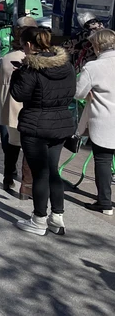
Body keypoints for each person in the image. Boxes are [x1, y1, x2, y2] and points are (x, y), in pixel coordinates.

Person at [10, 27, 76, 236]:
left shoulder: (29, 69)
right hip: (60, 122)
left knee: (40, 173)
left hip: (36, 124)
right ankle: (57, 217)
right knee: (53, 171)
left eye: (22, 45)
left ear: (29, 45)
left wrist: (16, 75)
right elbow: (72, 91)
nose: (22, 49)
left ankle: (38, 219)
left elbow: (19, 95)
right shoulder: (66, 64)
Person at [0, 16, 37, 199]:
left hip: (9, 104)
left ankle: (8, 177)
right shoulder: (28, 60)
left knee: (12, 143)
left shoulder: (6, 57)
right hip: (24, 105)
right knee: (28, 145)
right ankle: (26, 185)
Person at [74, 28, 115, 216]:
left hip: (103, 119)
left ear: (97, 46)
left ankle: (105, 202)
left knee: (103, 161)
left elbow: (78, 93)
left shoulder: (93, 67)